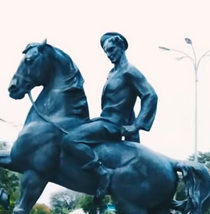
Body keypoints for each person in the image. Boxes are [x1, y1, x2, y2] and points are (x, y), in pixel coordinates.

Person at [61, 32, 157, 199]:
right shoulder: (112, 72)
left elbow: (150, 95)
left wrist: (136, 126)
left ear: (121, 47)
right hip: (104, 119)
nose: (109, 54)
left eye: (111, 50)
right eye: (106, 51)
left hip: (114, 125)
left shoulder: (130, 71)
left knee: (70, 140)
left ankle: (102, 172)